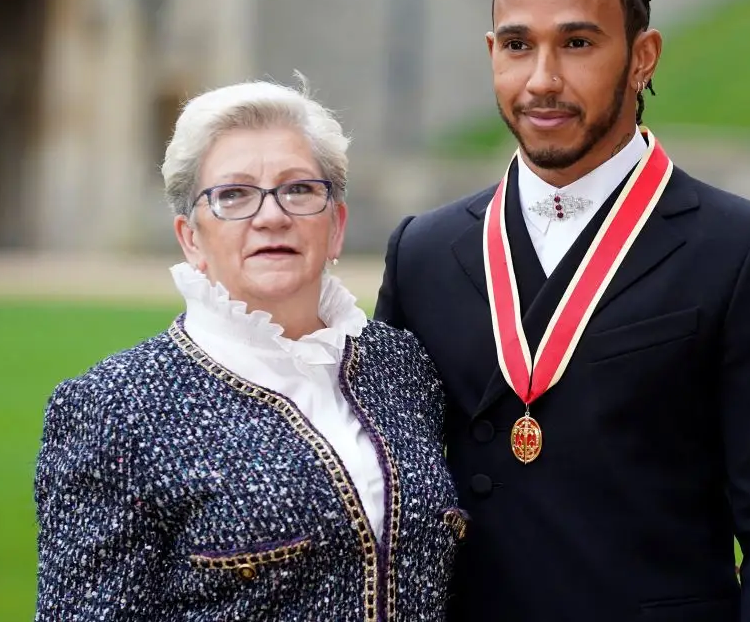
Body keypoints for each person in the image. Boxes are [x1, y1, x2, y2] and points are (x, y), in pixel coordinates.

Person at [375, 0, 750, 622]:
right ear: (491, 54)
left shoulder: (746, 251)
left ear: (642, 58)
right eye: (517, 44)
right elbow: (377, 485)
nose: (542, 79)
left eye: (578, 43)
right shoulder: (422, 251)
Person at [34, 79, 465, 621]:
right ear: (191, 238)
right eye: (233, 194)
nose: (271, 216)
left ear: (336, 227)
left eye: (299, 189)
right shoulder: (115, 408)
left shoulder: (401, 366)